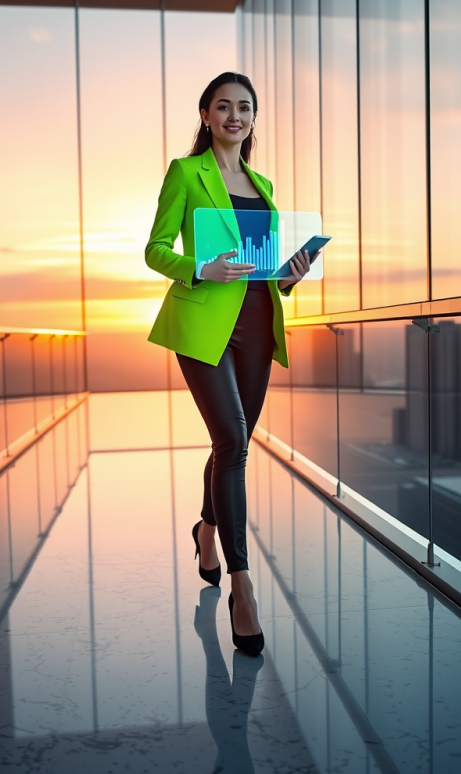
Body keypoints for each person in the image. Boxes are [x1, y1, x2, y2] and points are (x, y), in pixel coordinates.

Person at [144, 71, 316, 656]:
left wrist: (287, 277)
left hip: (256, 324)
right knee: (235, 440)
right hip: (201, 325)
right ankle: (244, 586)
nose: (235, 116)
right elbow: (154, 249)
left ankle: (206, 531)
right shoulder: (185, 173)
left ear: (252, 118)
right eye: (224, 106)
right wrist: (200, 267)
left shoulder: (263, 183)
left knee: (228, 447)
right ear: (206, 114)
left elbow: (260, 268)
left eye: (245, 107)